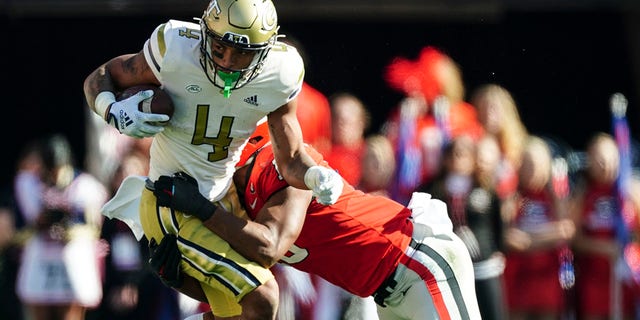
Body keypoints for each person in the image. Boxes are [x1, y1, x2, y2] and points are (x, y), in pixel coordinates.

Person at [83, 0, 344, 318]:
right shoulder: (175, 45)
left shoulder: (282, 72)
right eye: (220, 47)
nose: (228, 62)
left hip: (222, 200)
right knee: (263, 296)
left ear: (266, 50)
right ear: (204, 31)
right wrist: (110, 107)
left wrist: (317, 175)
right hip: (171, 197)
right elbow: (102, 75)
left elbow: (290, 160)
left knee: (235, 315)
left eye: (243, 53)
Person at [146, 130, 482, 320]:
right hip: (385, 294)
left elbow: (269, 246)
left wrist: (202, 209)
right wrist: (180, 281)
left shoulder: (280, 167)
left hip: (417, 262)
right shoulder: (237, 209)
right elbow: (243, 304)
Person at [15, 134, 109, 320]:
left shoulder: (86, 186)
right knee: (40, 310)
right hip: (41, 258)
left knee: (69, 313)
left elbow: (94, 226)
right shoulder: (30, 183)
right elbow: (32, 221)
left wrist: (72, 229)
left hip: (73, 260)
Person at [420, 135, 508, 320]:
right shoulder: (431, 189)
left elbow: (498, 223)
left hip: (485, 266)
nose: (458, 157)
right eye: (453, 152)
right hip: (448, 269)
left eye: (464, 153)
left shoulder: (485, 188)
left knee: (492, 313)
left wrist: (499, 250)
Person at [502, 136, 576, 320]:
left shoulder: (554, 196)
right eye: (527, 164)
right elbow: (508, 236)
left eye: (536, 164)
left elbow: (566, 230)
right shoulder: (513, 196)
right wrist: (548, 236)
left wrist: (528, 240)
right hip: (517, 276)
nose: (531, 170)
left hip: (547, 276)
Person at [569, 132, 640, 320]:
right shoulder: (583, 194)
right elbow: (573, 238)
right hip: (593, 278)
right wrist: (603, 248)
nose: (604, 166)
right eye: (598, 160)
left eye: (608, 159)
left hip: (624, 276)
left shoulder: (630, 192)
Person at [470, 83, 529, 199]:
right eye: (483, 107)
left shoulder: (519, 142)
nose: (488, 113)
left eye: (493, 108)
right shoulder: (471, 141)